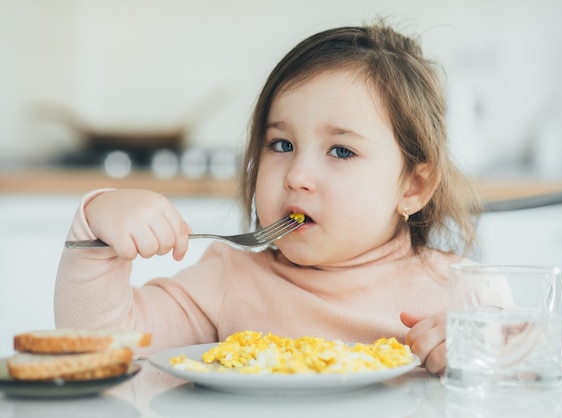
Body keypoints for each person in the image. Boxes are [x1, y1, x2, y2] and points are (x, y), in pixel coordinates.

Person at [54, 22, 483, 375]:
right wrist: (97, 231)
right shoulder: (227, 280)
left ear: (413, 186)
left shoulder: (464, 294)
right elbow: (99, 346)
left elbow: (527, 376)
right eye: (280, 145)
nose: (297, 176)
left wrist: (483, 358)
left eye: (341, 151)